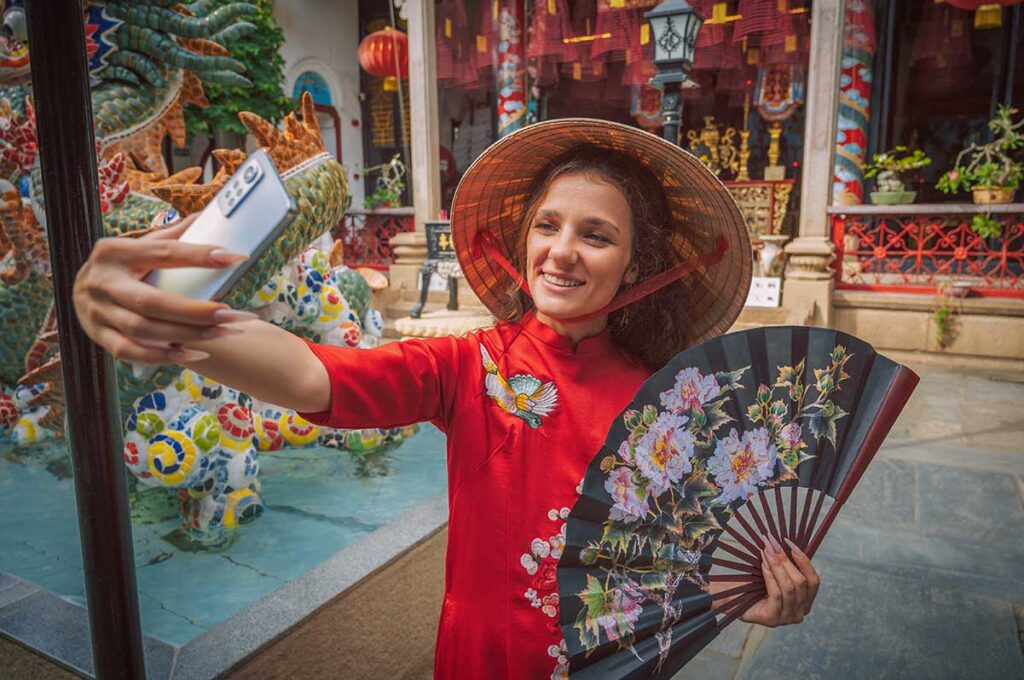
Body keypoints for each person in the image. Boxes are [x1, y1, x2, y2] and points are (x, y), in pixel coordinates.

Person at [73, 119, 820, 678]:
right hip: (478, 661)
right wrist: (173, 314)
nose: (561, 251)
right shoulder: (470, 364)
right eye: (547, 225)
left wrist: (748, 597)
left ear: (634, 268)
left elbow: (677, 564)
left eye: (596, 236)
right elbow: (313, 375)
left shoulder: (670, 408)